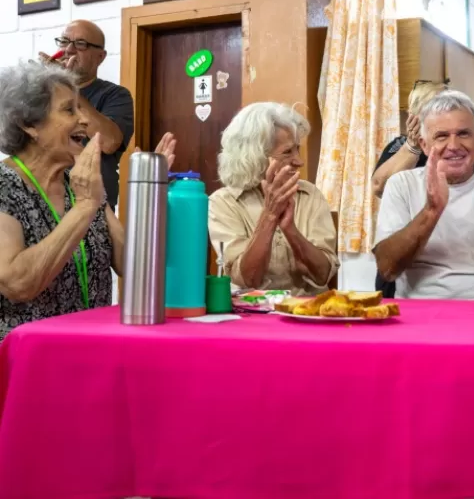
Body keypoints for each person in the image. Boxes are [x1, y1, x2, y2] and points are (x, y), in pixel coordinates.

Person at [0, 62, 175, 340]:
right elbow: (18, 284)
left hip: (89, 353)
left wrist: (149, 192)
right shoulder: (4, 185)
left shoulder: (79, 182)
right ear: (29, 124)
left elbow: (133, 267)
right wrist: (84, 207)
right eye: (70, 109)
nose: (83, 119)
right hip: (26, 362)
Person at [373, 90, 474, 300]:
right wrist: (431, 211)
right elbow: (388, 269)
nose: (453, 146)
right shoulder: (402, 184)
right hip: (422, 311)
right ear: (424, 145)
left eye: (463, 134)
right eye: (441, 136)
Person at [208, 102, 339, 296]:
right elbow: (248, 279)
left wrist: (290, 229)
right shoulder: (222, 203)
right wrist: (270, 215)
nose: (299, 161)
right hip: (251, 317)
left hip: (309, 314)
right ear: (255, 158)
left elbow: (322, 275)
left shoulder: (310, 195)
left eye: (297, 149)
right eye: (287, 152)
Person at [372, 80, 474, 297]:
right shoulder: (400, 146)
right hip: (406, 261)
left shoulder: (463, 145)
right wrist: (414, 146)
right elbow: (380, 187)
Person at [40, 19, 134, 210]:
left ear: (101, 56)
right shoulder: (44, 93)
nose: (69, 50)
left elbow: (108, 142)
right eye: (64, 41)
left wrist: (68, 85)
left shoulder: (115, 95)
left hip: (93, 206)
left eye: (81, 44)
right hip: (43, 199)